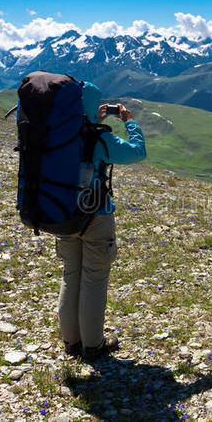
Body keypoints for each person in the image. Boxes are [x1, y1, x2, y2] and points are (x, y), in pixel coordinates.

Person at [57, 83, 146, 360]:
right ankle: (93, 346)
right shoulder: (97, 139)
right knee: (93, 280)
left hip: (61, 213)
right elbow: (137, 152)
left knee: (71, 276)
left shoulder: (55, 133)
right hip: (96, 216)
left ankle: (71, 342)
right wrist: (128, 121)